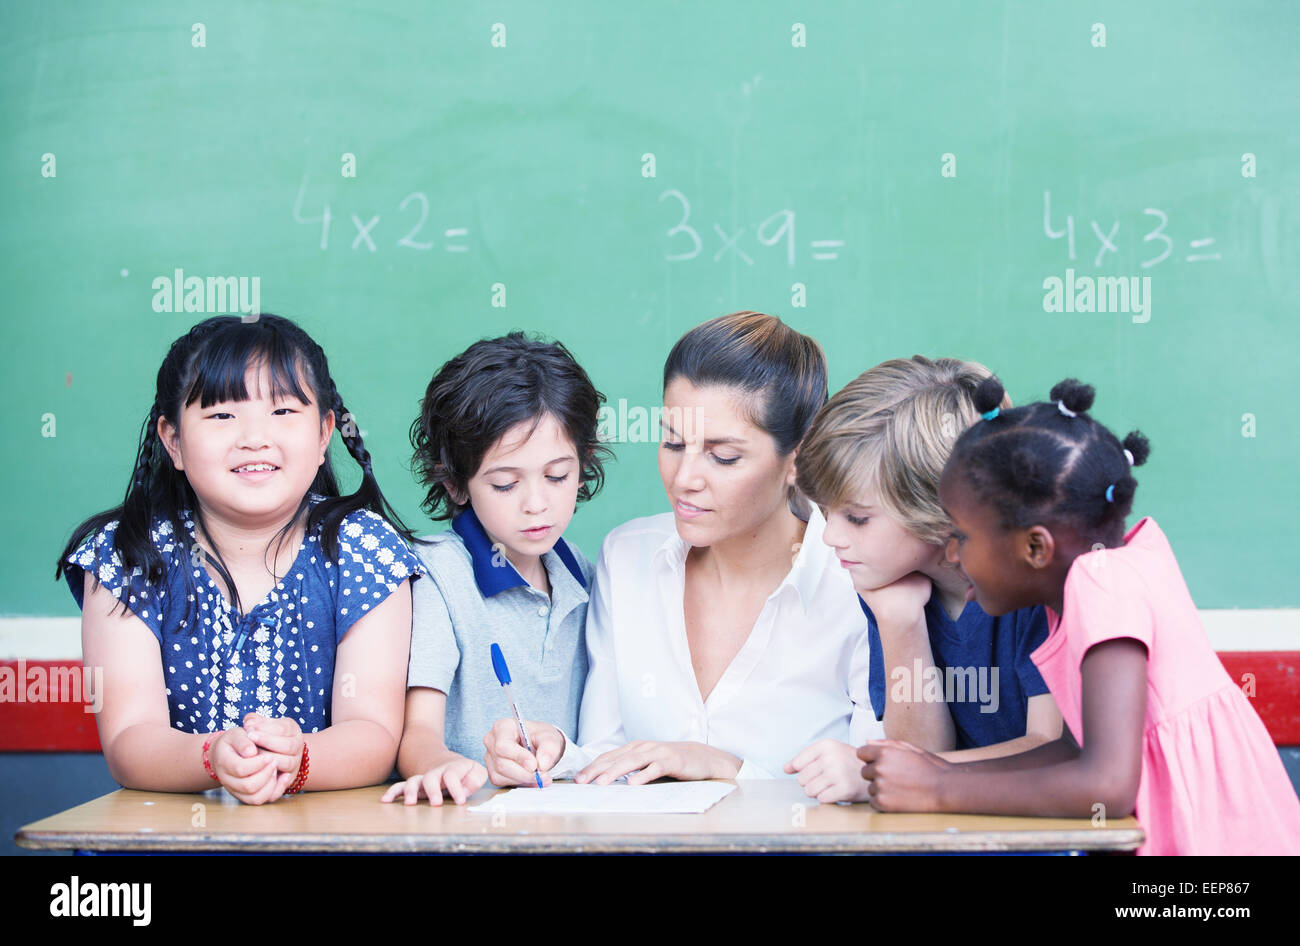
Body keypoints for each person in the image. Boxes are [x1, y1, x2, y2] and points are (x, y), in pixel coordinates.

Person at [859, 376, 1300, 854]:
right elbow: (1074, 752)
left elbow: (1107, 788)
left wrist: (936, 790)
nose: (952, 552)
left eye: (962, 535)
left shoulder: (1101, 584)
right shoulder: (1090, 585)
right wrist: (938, 769)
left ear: (1035, 547)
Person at [483, 311, 880, 786]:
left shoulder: (855, 579)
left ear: (797, 460)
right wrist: (556, 754)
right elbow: (608, 757)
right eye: (673, 443)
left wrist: (725, 769)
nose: (684, 479)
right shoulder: (628, 558)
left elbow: (874, 783)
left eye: (723, 456)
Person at [57, 314, 424, 805]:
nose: (254, 437)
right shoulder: (127, 557)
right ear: (173, 442)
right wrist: (212, 757)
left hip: (331, 837)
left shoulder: (365, 550)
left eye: (283, 412)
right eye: (222, 415)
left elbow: (374, 732)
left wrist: (299, 761)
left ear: (323, 436)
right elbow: (129, 739)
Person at [786, 356, 1062, 802]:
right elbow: (924, 751)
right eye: (825, 513)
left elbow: (1051, 751)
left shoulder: (1038, 585)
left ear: (944, 511)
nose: (832, 537)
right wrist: (901, 623)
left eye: (857, 518)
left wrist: (874, 773)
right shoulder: (888, 580)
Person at [381, 333, 609, 806]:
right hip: (463, 823)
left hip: (562, 825)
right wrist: (439, 766)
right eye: (505, 484)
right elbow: (416, 732)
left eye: (557, 475)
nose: (536, 504)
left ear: (584, 465)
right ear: (456, 483)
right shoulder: (437, 572)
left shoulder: (583, 574)